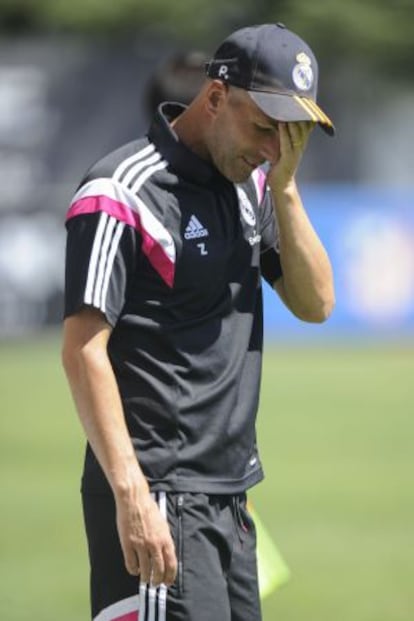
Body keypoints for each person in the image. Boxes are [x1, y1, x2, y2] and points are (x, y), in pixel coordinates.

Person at [62, 22, 335, 621]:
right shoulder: (121, 191)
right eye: (264, 128)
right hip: (158, 495)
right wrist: (131, 493)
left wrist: (285, 190)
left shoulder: (255, 187)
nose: (272, 147)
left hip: (232, 500)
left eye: (288, 135)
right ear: (215, 98)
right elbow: (83, 350)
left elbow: (316, 304)